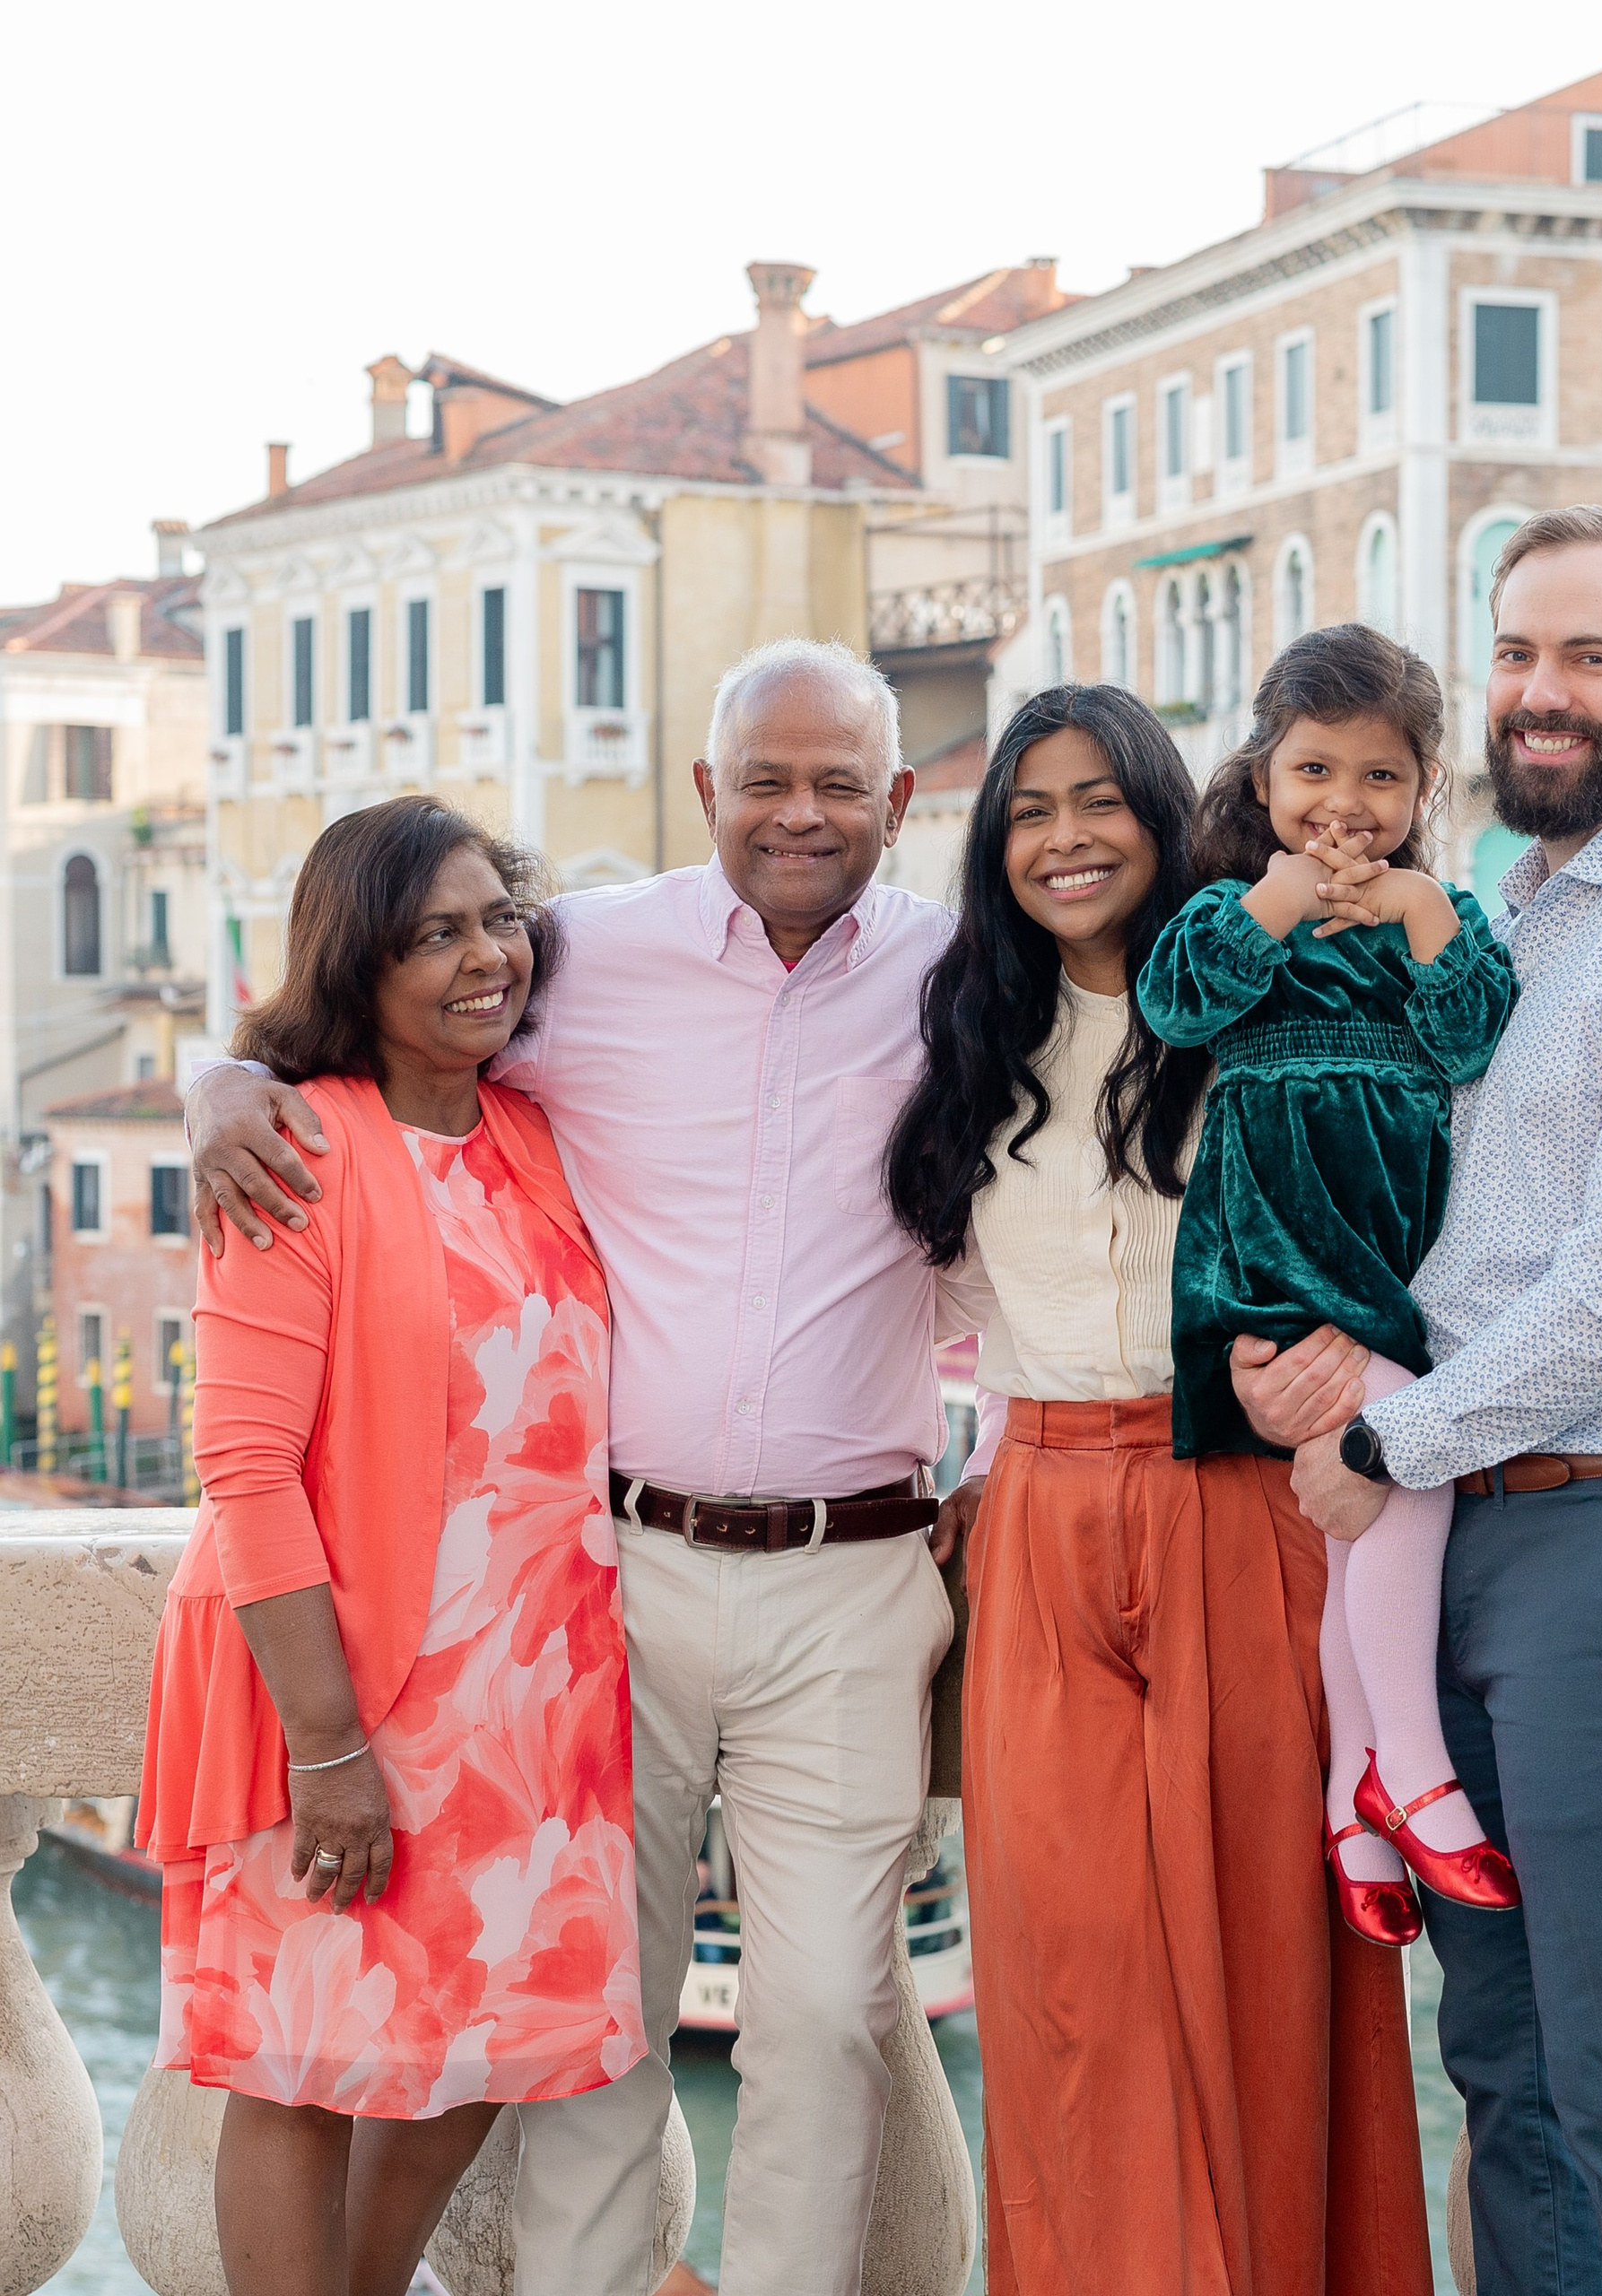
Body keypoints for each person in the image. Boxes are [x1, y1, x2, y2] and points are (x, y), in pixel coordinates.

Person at [184, 639, 988, 2296]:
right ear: (706, 791)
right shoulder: (565, 976)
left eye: (840, 780)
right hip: (552, 1620)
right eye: (764, 776)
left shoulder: (962, 978)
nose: (798, 812)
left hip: (745, 1605)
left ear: (901, 802)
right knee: (550, 2027)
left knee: (806, 2015)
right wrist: (219, 1083)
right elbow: (253, 1431)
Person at [1241, 506, 1602, 2295]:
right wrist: (1306, 1351)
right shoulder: (1485, 915)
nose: (1540, 692)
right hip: (1465, 1536)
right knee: (1501, 2063)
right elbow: (1435, 1229)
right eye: (1512, 652)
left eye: (1585, 656)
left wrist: (1376, 1439)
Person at [885, 682, 1432, 2296]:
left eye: (1099, 801)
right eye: (1030, 810)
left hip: (1243, 1504)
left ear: (1166, 811)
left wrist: (1356, 1341)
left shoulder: (1267, 994)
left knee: (1272, 1975)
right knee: (1070, 1986)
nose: (1067, 838)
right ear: (995, 844)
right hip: (1039, 1511)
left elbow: (1421, 1187)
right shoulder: (969, 1032)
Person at [139, 796, 641, 2296]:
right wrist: (325, 1749)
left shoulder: (537, 1134)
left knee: (490, 2041)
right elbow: (243, 1465)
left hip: (535, 1703)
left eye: (499, 918)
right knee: (295, 2060)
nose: (484, 956)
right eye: (434, 933)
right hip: (343, 1692)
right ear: (357, 965)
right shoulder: (293, 1149)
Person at [1134, 624, 1520, 1948]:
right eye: (1312, 771)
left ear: (1423, 796)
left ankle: (1358, 1812)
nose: (1344, 807)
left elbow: (1476, 1041)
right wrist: (1282, 897)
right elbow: (1178, 1004)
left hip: (1386, 1260)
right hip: (1271, 1261)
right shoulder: (1236, 916)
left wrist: (1417, 912)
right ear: (1259, 780)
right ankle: (1411, 1768)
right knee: (1396, 1453)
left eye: (1379, 779)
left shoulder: (1439, 917)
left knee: (1366, 1527)